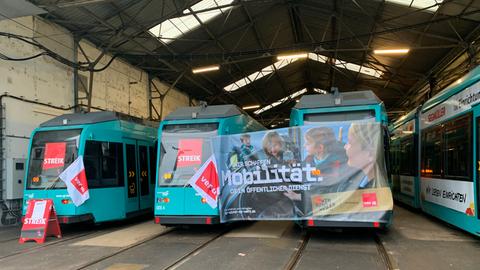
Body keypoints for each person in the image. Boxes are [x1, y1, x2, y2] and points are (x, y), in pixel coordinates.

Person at [343, 122, 388, 189]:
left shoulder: (369, 191)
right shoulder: (375, 187)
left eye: (349, 142)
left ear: (370, 154)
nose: (345, 147)